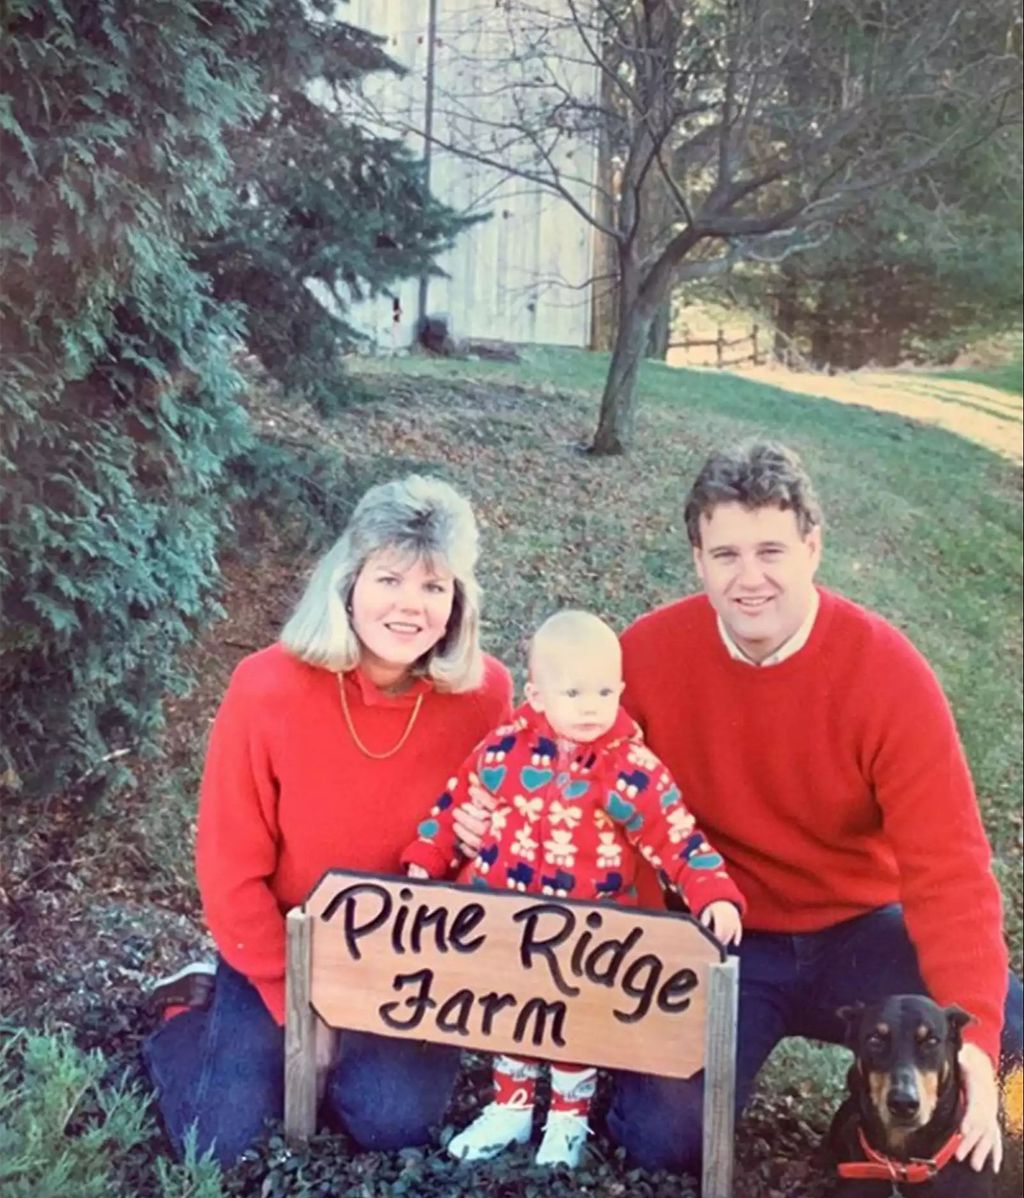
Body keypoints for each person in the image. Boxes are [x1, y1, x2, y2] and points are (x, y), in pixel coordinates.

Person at [607, 440, 1023, 1179]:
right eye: (726, 554)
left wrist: (980, 1046)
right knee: (663, 1139)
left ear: (813, 547)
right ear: (698, 559)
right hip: (722, 938)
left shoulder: (887, 674)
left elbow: (949, 871)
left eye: (771, 549)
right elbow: (579, 785)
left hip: (857, 934)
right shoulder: (643, 656)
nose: (750, 577)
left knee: (1018, 1039)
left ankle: (973, 1131)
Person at [142, 475, 514, 1166]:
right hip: (285, 940)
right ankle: (186, 1014)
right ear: (348, 582)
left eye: (435, 588)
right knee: (221, 1143)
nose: (410, 606)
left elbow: (490, 856)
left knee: (391, 1122)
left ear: (459, 602)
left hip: (410, 955)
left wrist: (480, 847)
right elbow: (229, 868)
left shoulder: (485, 694)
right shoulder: (265, 686)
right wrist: (294, 1001)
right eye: (390, 579)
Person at [401, 610, 745, 1168]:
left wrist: (712, 891)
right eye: (574, 691)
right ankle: (510, 1109)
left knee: (571, 1025)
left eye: (605, 691)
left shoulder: (628, 767)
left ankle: (566, 1119)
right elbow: (455, 805)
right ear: (535, 694)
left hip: (588, 934)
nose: (591, 706)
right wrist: (428, 855)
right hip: (506, 919)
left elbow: (673, 833)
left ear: (622, 690)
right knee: (511, 1011)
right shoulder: (502, 751)